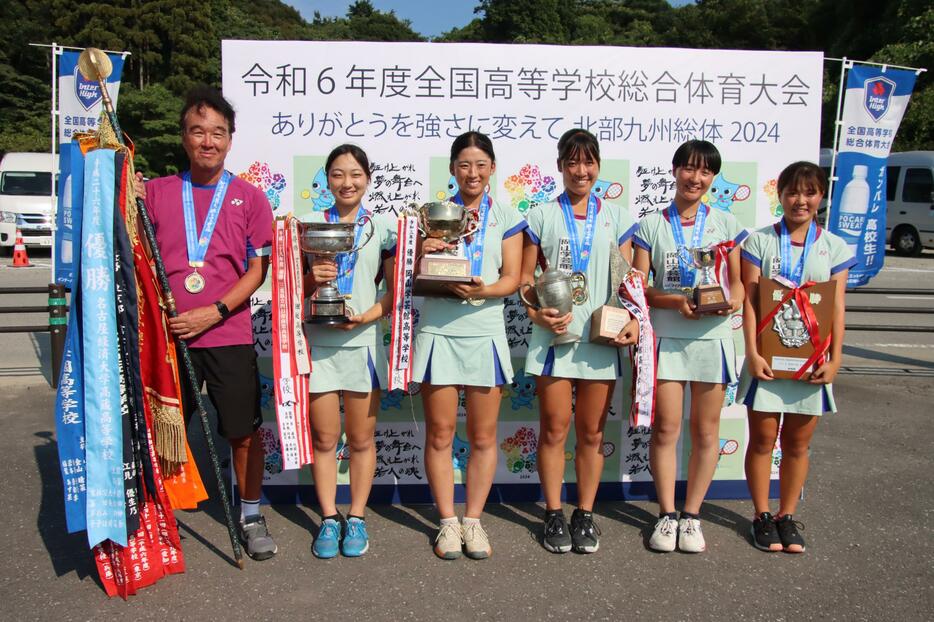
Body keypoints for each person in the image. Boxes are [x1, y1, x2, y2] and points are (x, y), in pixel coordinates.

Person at [143, 85, 276, 560]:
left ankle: (251, 513)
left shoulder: (250, 199)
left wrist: (215, 311)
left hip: (227, 331)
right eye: (198, 131)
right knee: (163, 429)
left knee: (242, 431)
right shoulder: (153, 194)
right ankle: (157, 513)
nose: (208, 141)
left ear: (230, 140)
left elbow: (257, 270)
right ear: (184, 138)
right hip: (167, 336)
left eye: (217, 133)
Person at [520, 128, 640, 554]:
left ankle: (584, 514)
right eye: (572, 162)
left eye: (588, 162)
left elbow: (629, 283)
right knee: (554, 430)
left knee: (591, 433)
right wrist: (537, 312)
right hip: (553, 338)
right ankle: (553, 513)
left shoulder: (619, 217)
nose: (580, 170)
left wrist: (634, 321)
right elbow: (524, 280)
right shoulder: (540, 216)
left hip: (600, 338)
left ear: (598, 166)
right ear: (560, 167)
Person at [413, 131, 526, 560]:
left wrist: (483, 291)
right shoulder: (433, 216)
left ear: (493, 168)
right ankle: (446, 522)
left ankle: (474, 520)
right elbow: (413, 274)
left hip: (484, 333)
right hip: (439, 331)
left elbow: (513, 277)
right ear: (452, 169)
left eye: (481, 165)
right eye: (464, 165)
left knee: (482, 436)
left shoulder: (508, 216)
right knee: (440, 434)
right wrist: (425, 251)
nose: (472, 173)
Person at [632, 139, 745, 554]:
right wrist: (675, 301)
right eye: (689, 169)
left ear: (712, 178)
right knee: (666, 429)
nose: (696, 178)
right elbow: (639, 287)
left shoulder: (727, 225)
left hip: (712, 340)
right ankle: (665, 514)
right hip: (667, 337)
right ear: (675, 170)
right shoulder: (650, 225)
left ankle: (692, 515)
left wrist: (731, 303)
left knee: (706, 431)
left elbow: (737, 285)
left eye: (705, 172)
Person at [737, 161, 854, 553]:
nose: (799, 200)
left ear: (820, 197)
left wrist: (835, 360)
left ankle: (787, 515)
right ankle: (761, 516)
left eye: (809, 192)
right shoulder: (759, 242)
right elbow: (751, 302)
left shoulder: (834, 247)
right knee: (762, 440)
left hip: (811, 364)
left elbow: (836, 306)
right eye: (792, 192)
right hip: (767, 362)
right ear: (780, 195)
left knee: (798, 445)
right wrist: (751, 353)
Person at [302, 144, 396, 558]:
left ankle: (355, 516)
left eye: (356, 174)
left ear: (368, 179)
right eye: (338, 174)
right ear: (326, 179)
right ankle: (327, 517)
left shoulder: (383, 230)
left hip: (361, 345)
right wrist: (311, 275)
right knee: (324, 439)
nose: (347, 182)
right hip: (319, 347)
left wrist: (367, 316)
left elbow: (394, 294)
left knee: (360, 439)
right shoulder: (306, 229)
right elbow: (292, 291)